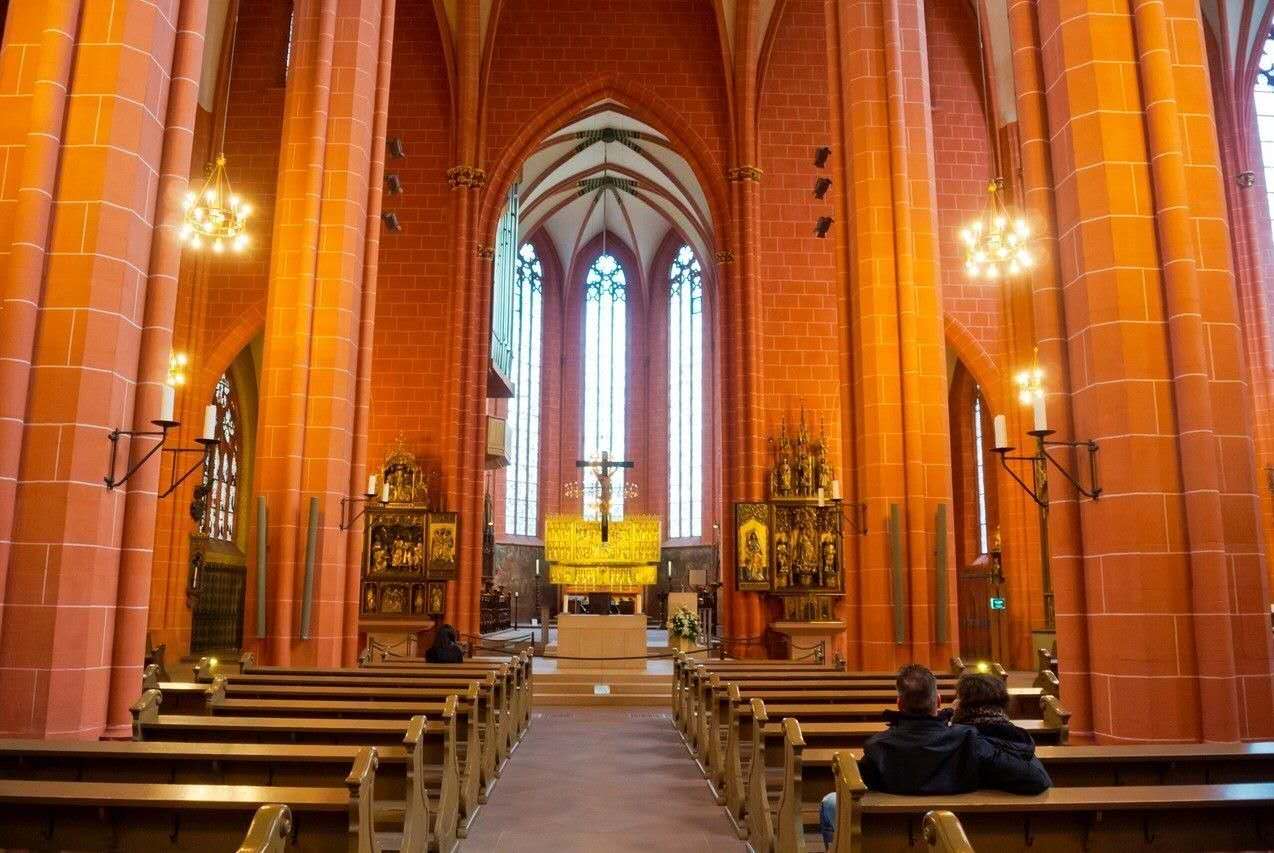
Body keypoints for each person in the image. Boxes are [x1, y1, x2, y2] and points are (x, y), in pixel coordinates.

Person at [818, 665, 1052, 846]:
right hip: (958, 833)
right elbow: (1035, 778)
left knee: (832, 801)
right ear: (938, 701)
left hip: (891, 837)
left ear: (899, 703)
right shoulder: (968, 740)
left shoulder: (878, 747)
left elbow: (857, 789)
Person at [952, 672, 1052, 794]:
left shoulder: (962, 739)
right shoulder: (1016, 736)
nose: (954, 703)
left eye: (958, 698)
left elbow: (1038, 780)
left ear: (964, 705)